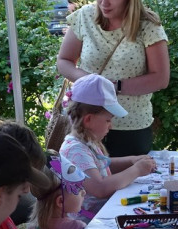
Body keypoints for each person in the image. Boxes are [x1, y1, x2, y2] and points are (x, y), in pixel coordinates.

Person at [55, 0, 169, 157]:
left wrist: (113, 86)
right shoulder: (84, 16)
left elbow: (160, 78)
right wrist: (90, 82)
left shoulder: (148, 25)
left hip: (130, 127)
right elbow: (64, 61)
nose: (104, 2)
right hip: (86, 123)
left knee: (130, 185)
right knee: (86, 186)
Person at [59, 74, 156, 218]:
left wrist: (131, 161)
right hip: (87, 224)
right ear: (88, 119)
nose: (111, 126)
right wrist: (136, 170)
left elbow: (102, 166)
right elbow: (100, 188)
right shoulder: (75, 150)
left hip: (102, 215)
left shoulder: (87, 142)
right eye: (108, 120)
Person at [27, 154, 88, 229]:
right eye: (78, 189)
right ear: (60, 201)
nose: (84, 192)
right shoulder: (76, 228)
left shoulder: (32, 228)